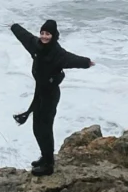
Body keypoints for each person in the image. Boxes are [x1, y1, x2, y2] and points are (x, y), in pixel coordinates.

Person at [10, 18, 93, 176]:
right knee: (37, 128)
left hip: (50, 95)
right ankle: (45, 156)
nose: (44, 36)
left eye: (48, 34)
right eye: (42, 33)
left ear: (53, 35)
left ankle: (49, 165)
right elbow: (25, 37)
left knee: (45, 129)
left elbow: (72, 59)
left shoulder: (58, 53)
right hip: (40, 92)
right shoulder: (37, 46)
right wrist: (14, 27)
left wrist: (87, 62)